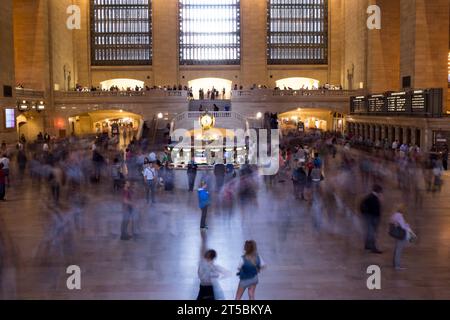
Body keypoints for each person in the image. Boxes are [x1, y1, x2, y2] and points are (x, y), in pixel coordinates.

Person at [390, 204, 416, 270]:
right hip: (401, 234)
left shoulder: (394, 215)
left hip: (397, 234)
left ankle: (395, 264)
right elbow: (403, 226)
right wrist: (407, 225)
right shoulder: (400, 215)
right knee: (399, 250)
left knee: (397, 249)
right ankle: (397, 265)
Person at [360, 185, 383, 254]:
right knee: (372, 233)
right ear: (378, 191)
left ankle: (367, 246)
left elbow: (362, 206)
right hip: (373, 218)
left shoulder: (369, 197)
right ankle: (373, 248)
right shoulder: (373, 198)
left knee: (369, 232)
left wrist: (365, 214)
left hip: (370, 217)